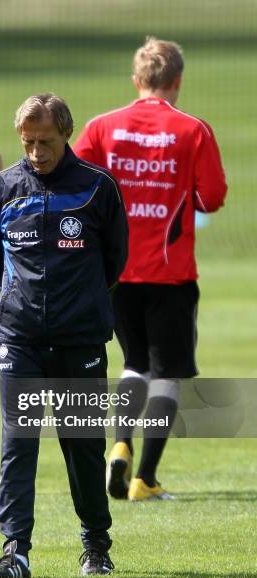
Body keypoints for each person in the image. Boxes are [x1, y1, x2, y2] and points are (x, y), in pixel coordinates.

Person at [0, 93, 128, 578]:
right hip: (18, 339)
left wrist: (77, 303)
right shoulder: (0, 188)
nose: (37, 152)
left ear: (66, 133)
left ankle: (96, 546)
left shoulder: (97, 188)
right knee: (17, 443)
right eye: (28, 142)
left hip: (79, 340)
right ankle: (15, 550)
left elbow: (114, 261)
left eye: (46, 141)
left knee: (82, 443)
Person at [73, 37, 227, 501]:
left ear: (136, 80)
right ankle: (145, 477)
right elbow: (212, 197)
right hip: (171, 274)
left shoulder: (103, 127)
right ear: (177, 81)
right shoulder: (192, 130)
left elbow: (76, 184)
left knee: (133, 364)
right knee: (168, 374)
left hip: (116, 274)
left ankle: (119, 442)